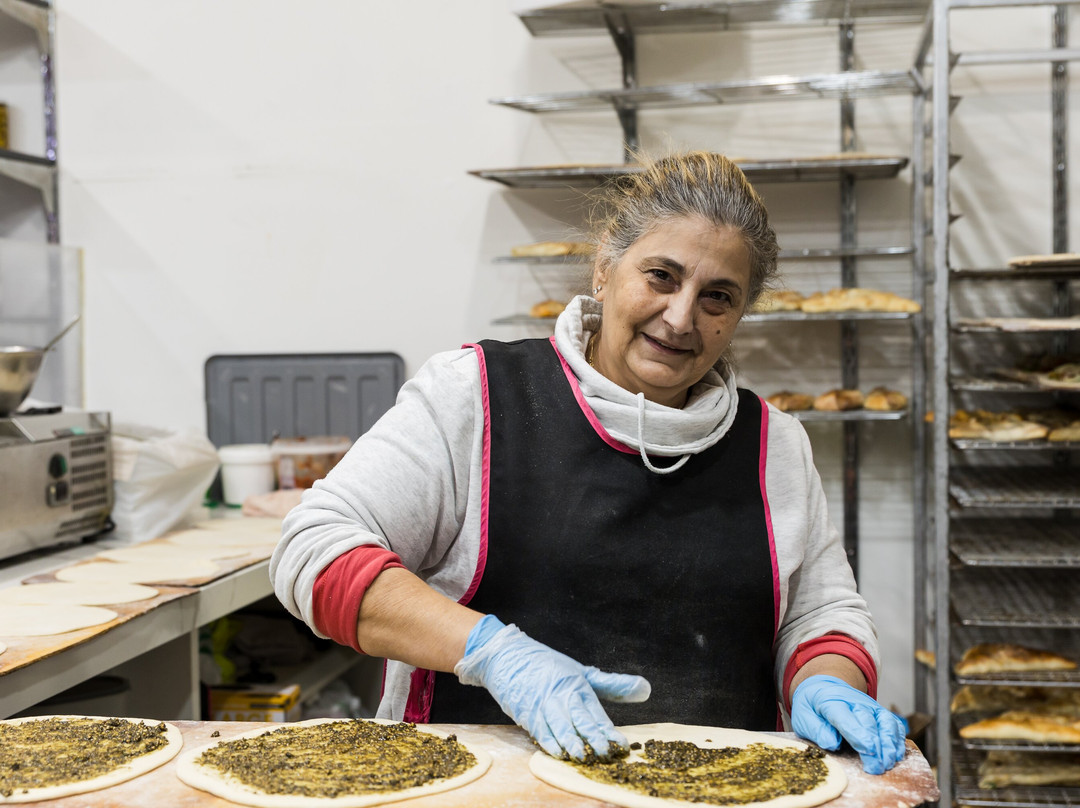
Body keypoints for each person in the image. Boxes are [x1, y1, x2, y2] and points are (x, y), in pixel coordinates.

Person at [270, 151, 908, 775]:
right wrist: (491, 652)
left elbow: (821, 614)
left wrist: (827, 681)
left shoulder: (774, 443)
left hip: (715, 795)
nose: (681, 317)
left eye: (717, 297)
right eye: (661, 275)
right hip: (483, 791)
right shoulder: (479, 395)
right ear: (605, 265)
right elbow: (315, 550)